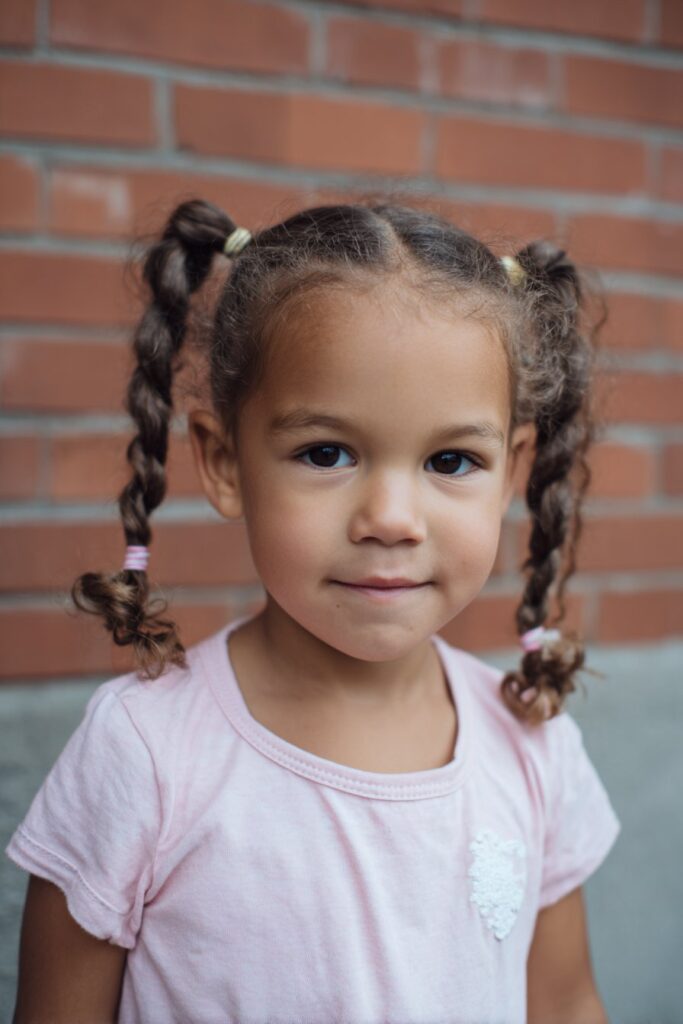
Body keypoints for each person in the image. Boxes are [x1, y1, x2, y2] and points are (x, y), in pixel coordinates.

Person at [6, 200, 621, 1024]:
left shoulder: (532, 750)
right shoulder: (146, 755)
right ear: (224, 460)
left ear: (511, 472)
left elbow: (567, 1005)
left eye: (450, 460)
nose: (392, 517)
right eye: (325, 453)